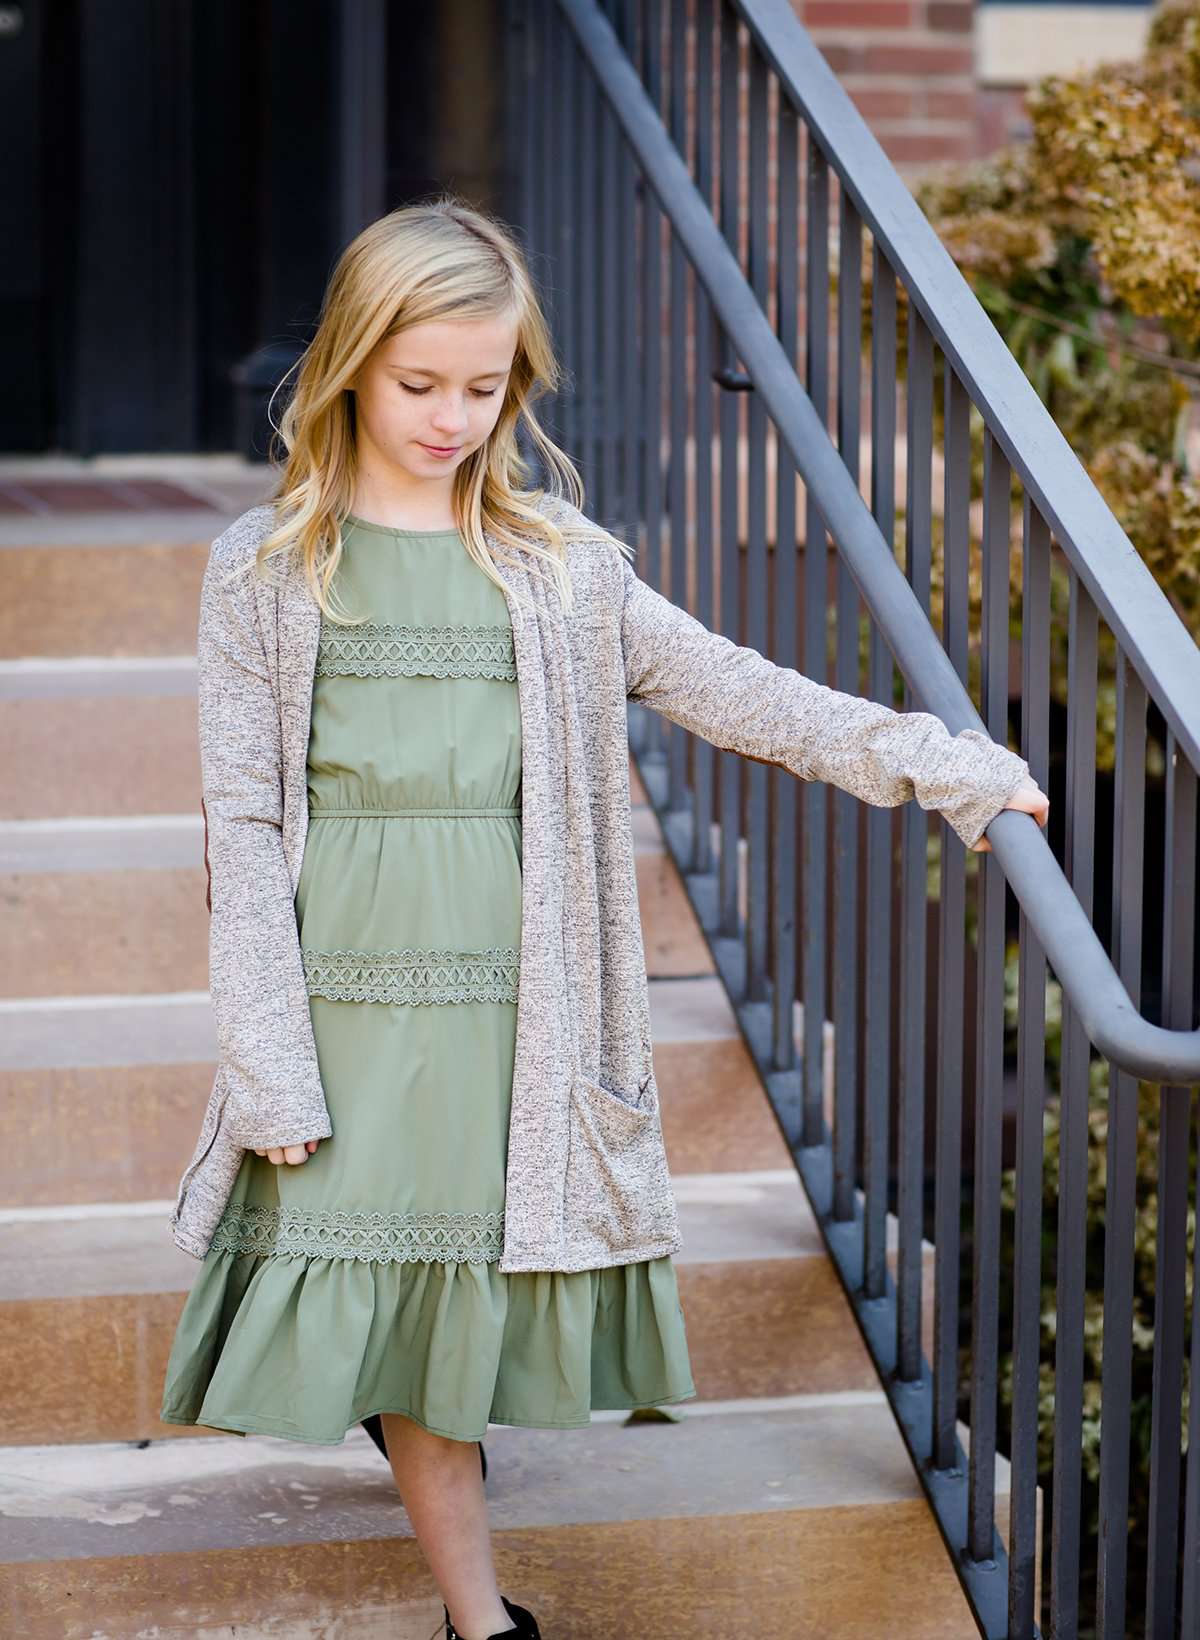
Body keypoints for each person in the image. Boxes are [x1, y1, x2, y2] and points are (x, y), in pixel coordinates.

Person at [159, 196, 1049, 1640]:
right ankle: (483, 1614)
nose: (454, 416)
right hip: (344, 997)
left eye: (485, 384)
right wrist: (266, 1051)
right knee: (402, 1312)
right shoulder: (265, 571)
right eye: (418, 383)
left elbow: (740, 691)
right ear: (348, 366)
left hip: (517, 990)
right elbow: (244, 826)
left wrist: (938, 763)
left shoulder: (562, 567)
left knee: (455, 1314)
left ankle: (473, 1609)